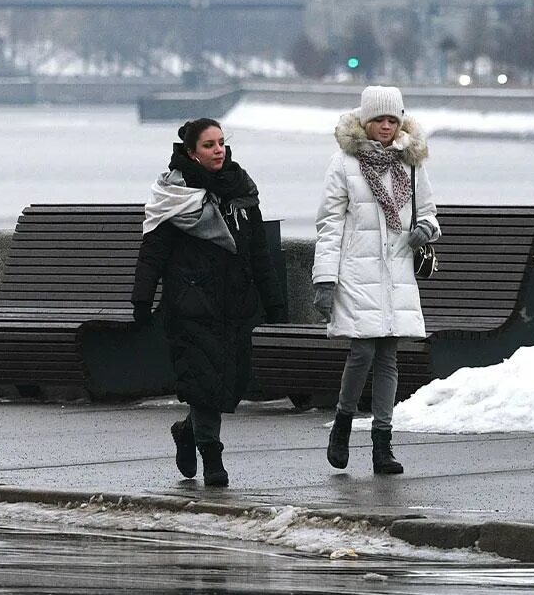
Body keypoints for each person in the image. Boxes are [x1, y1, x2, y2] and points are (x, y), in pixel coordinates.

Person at [132, 118, 287, 488]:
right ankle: (211, 456)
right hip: (190, 305)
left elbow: (259, 254)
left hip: (236, 304)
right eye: (208, 145)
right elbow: (152, 253)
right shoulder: (174, 197)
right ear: (190, 152)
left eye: (221, 143)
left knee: (226, 384)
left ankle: (186, 431)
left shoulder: (241, 192)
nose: (218, 150)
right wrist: (142, 300)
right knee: (203, 381)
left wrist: (275, 303)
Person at [311, 86, 438, 476]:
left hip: (396, 270)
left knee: (388, 356)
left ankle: (383, 444)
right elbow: (330, 224)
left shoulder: (411, 162)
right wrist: (325, 278)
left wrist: (424, 230)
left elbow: (429, 213)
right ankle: (343, 423)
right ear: (365, 121)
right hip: (356, 271)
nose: (386, 127)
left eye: (392, 120)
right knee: (362, 351)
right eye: (379, 120)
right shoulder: (343, 163)